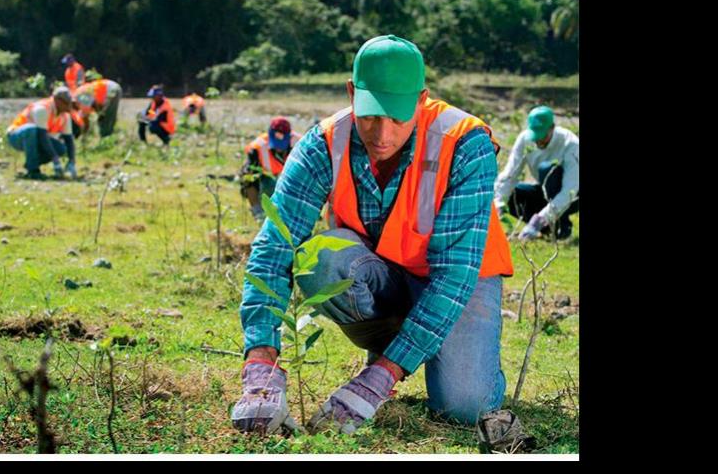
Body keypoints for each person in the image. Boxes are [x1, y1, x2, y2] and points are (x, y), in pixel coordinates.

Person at [232, 35, 522, 439]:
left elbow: (454, 275)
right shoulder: (323, 144)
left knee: (463, 406)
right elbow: (273, 247)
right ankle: (401, 346)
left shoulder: (464, 144)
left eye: (398, 118)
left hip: (458, 280)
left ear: (421, 100)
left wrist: (377, 381)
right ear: (352, 93)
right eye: (369, 116)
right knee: (319, 258)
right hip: (385, 273)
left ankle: (403, 359)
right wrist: (260, 362)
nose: (382, 134)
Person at [493, 106, 579, 241]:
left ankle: (558, 224)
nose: (538, 140)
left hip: (572, 195)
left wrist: (540, 219)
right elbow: (510, 174)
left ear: (552, 128)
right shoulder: (525, 139)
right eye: (535, 135)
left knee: (547, 169)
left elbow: (571, 189)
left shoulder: (571, 144)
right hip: (544, 190)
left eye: (542, 135)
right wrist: (498, 204)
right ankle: (547, 229)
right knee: (514, 193)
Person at [239, 117, 302, 223]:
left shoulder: (301, 143)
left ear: (289, 136)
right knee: (248, 178)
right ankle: (258, 213)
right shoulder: (258, 147)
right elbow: (248, 174)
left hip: (292, 181)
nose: (279, 147)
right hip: (267, 180)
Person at [6, 87, 77, 179]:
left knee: (61, 148)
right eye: (66, 103)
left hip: (35, 138)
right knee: (32, 129)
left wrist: (72, 161)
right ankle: (33, 170)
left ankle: (30, 164)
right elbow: (42, 136)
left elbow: (69, 139)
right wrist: (55, 159)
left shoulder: (65, 115)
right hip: (16, 136)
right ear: (57, 100)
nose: (69, 106)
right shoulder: (42, 109)